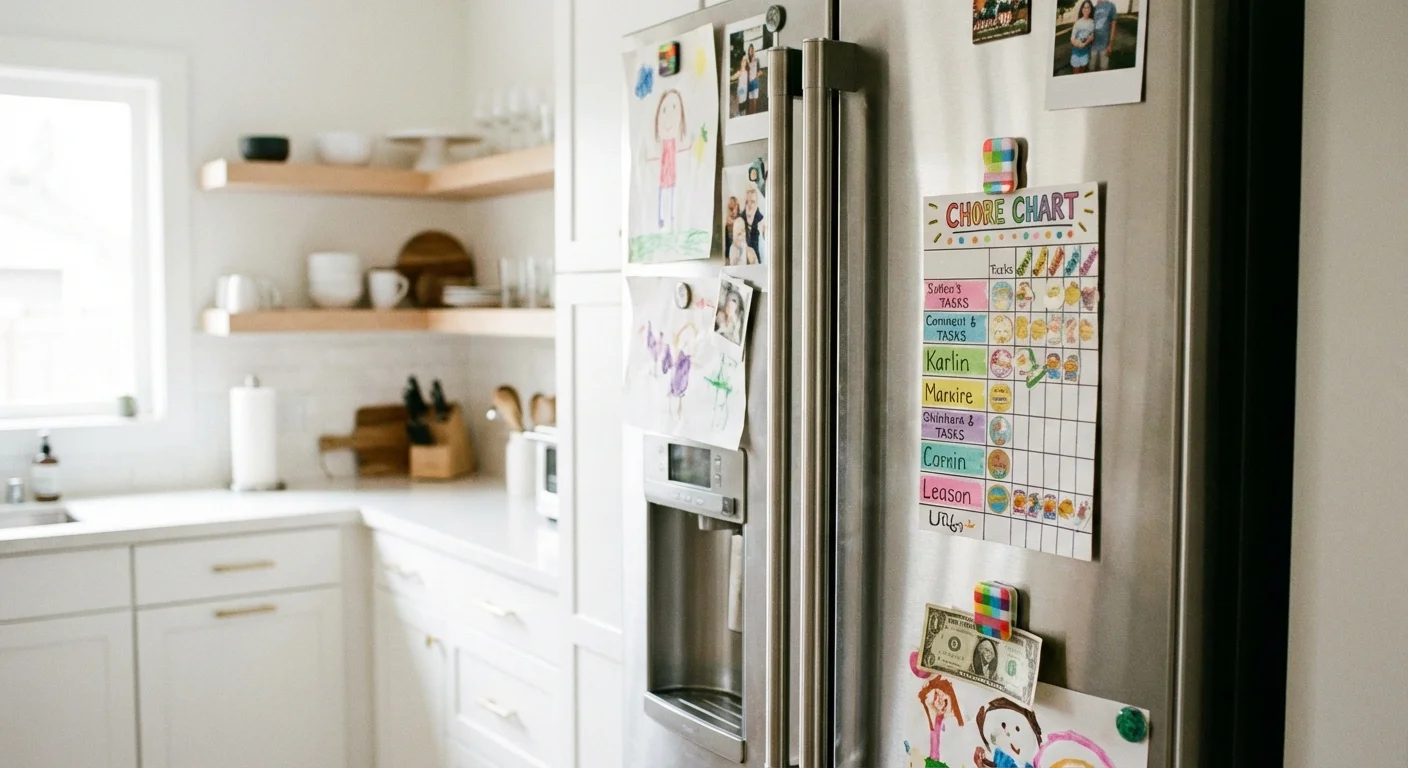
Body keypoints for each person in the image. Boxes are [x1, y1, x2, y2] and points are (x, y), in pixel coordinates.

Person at [650, 89, 692, 230]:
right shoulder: (662, 144)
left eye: (674, 108)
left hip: (672, 170)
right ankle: (661, 219)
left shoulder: (674, 142)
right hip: (664, 171)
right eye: (664, 110)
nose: (669, 116)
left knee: (672, 190)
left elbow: (681, 150)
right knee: (663, 191)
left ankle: (673, 217)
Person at [1089, 0, 1119, 71]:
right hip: (1093, 45)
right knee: (1091, 68)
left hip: (1105, 46)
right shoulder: (1093, 8)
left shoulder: (1111, 5)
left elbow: (1113, 26)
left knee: (1103, 69)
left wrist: (1111, 44)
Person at [1068, 1, 1095, 74]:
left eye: (1088, 7)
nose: (1086, 9)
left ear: (1091, 9)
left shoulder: (1092, 22)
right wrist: (1078, 44)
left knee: (1082, 71)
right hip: (1076, 52)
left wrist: (1085, 43)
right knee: (1076, 73)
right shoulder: (1077, 22)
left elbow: (1092, 37)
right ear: (1082, 9)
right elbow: (1072, 39)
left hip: (1086, 52)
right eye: (1084, 7)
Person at [742, 184, 766, 260]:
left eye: (752, 202)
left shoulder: (760, 218)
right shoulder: (741, 217)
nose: (749, 205)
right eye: (747, 202)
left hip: (755, 257)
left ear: (756, 203)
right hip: (743, 258)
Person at [747, 43, 761, 113]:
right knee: (750, 105)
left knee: (754, 105)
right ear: (748, 52)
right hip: (749, 85)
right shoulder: (747, 62)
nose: (751, 52)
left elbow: (760, 72)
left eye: (752, 50)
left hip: (755, 83)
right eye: (750, 50)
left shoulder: (757, 60)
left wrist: (756, 76)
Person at [735, 48, 750, 116]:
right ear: (741, 62)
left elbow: (750, 65)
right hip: (741, 91)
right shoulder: (739, 72)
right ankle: (739, 113)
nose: (744, 62)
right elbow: (734, 78)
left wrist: (747, 59)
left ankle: (742, 114)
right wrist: (738, 93)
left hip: (745, 92)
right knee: (740, 103)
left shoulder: (747, 72)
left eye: (745, 61)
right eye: (742, 61)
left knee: (744, 106)